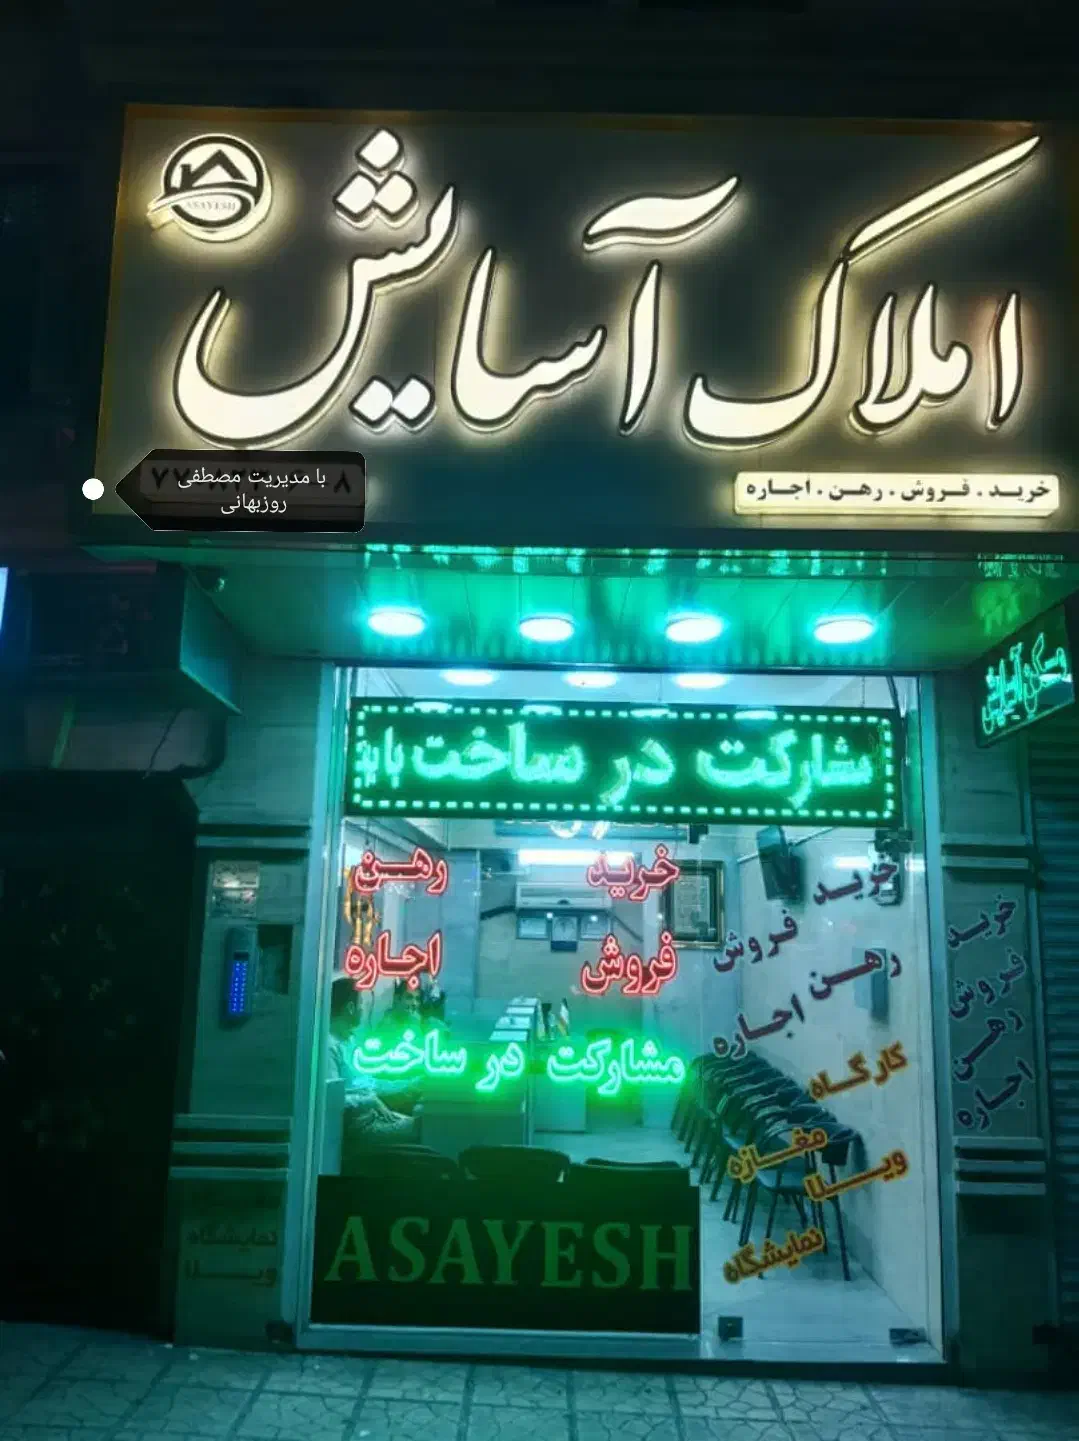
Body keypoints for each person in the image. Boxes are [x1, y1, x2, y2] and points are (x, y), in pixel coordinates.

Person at [327, 977, 417, 1144]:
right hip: (358, 1127)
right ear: (350, 1008)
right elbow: (331, 1099)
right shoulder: (328, 1047)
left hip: (372, 1117)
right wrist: (369, 1100)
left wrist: (408, 1085)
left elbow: (367, 1083)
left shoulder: (349, 1041)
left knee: (428, 1123)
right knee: (427, 1128)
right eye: (362, 1004)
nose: (364, 1009)